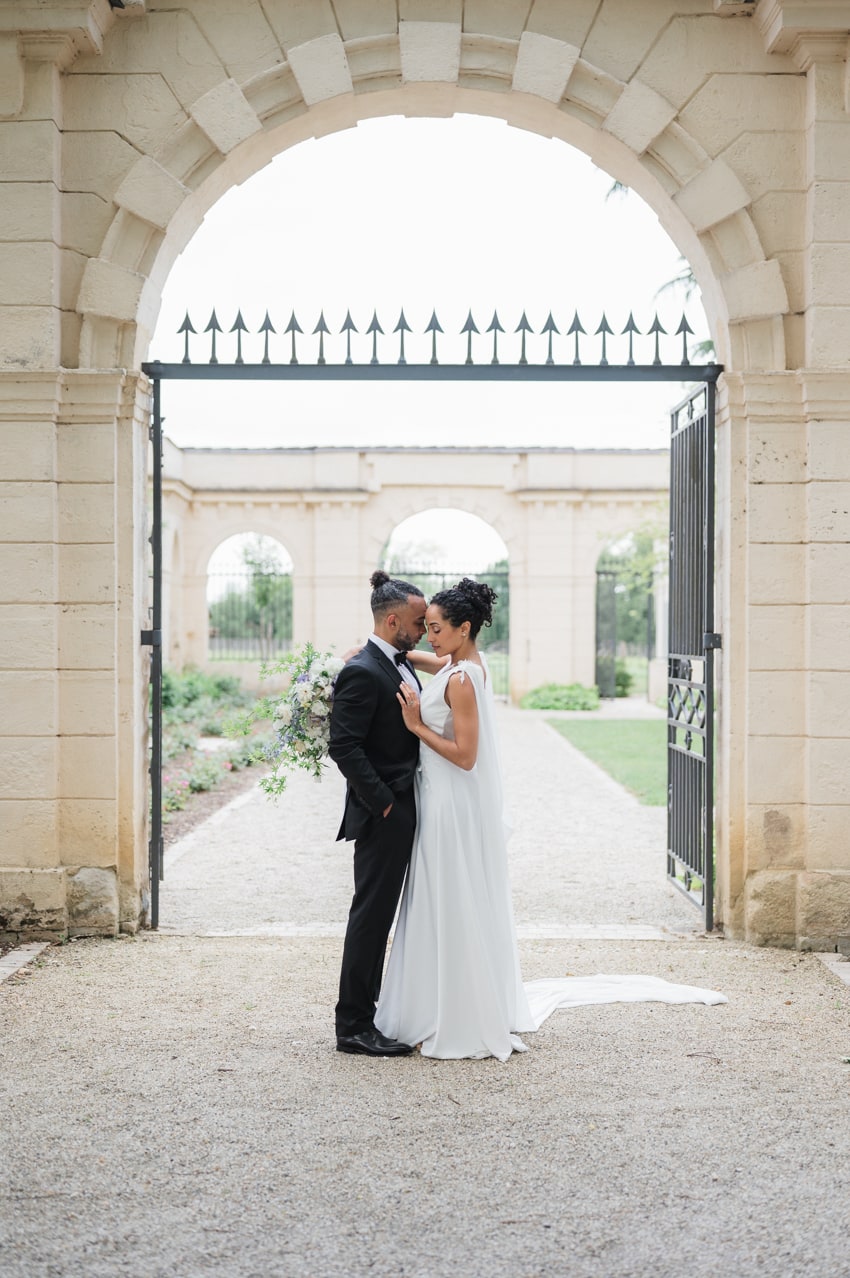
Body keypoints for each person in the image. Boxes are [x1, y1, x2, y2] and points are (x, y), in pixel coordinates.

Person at [373, 578, 726, 1062]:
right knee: (445, 897)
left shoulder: (460, 680)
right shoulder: (465, 665)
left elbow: (467, 755)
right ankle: (439, 999)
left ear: (464, 628)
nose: (428, 637)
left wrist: (415, 726)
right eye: (427, 628)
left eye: (435, 629)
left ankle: (453, 1010)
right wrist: (390, 653)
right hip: (442, 799)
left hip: (449, 801)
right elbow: (434, 664)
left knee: (449, 897)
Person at [328, 571, 426, 1057]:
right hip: (384, 811)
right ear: (392, 621)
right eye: (417, 621)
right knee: (371, 916)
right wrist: (385, 802)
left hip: (406, 803)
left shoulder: (397, 661)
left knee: (382, 914)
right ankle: (353, 1026)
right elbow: (343, 747)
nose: (424, 628)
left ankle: (371, 1013)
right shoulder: (364, 670)